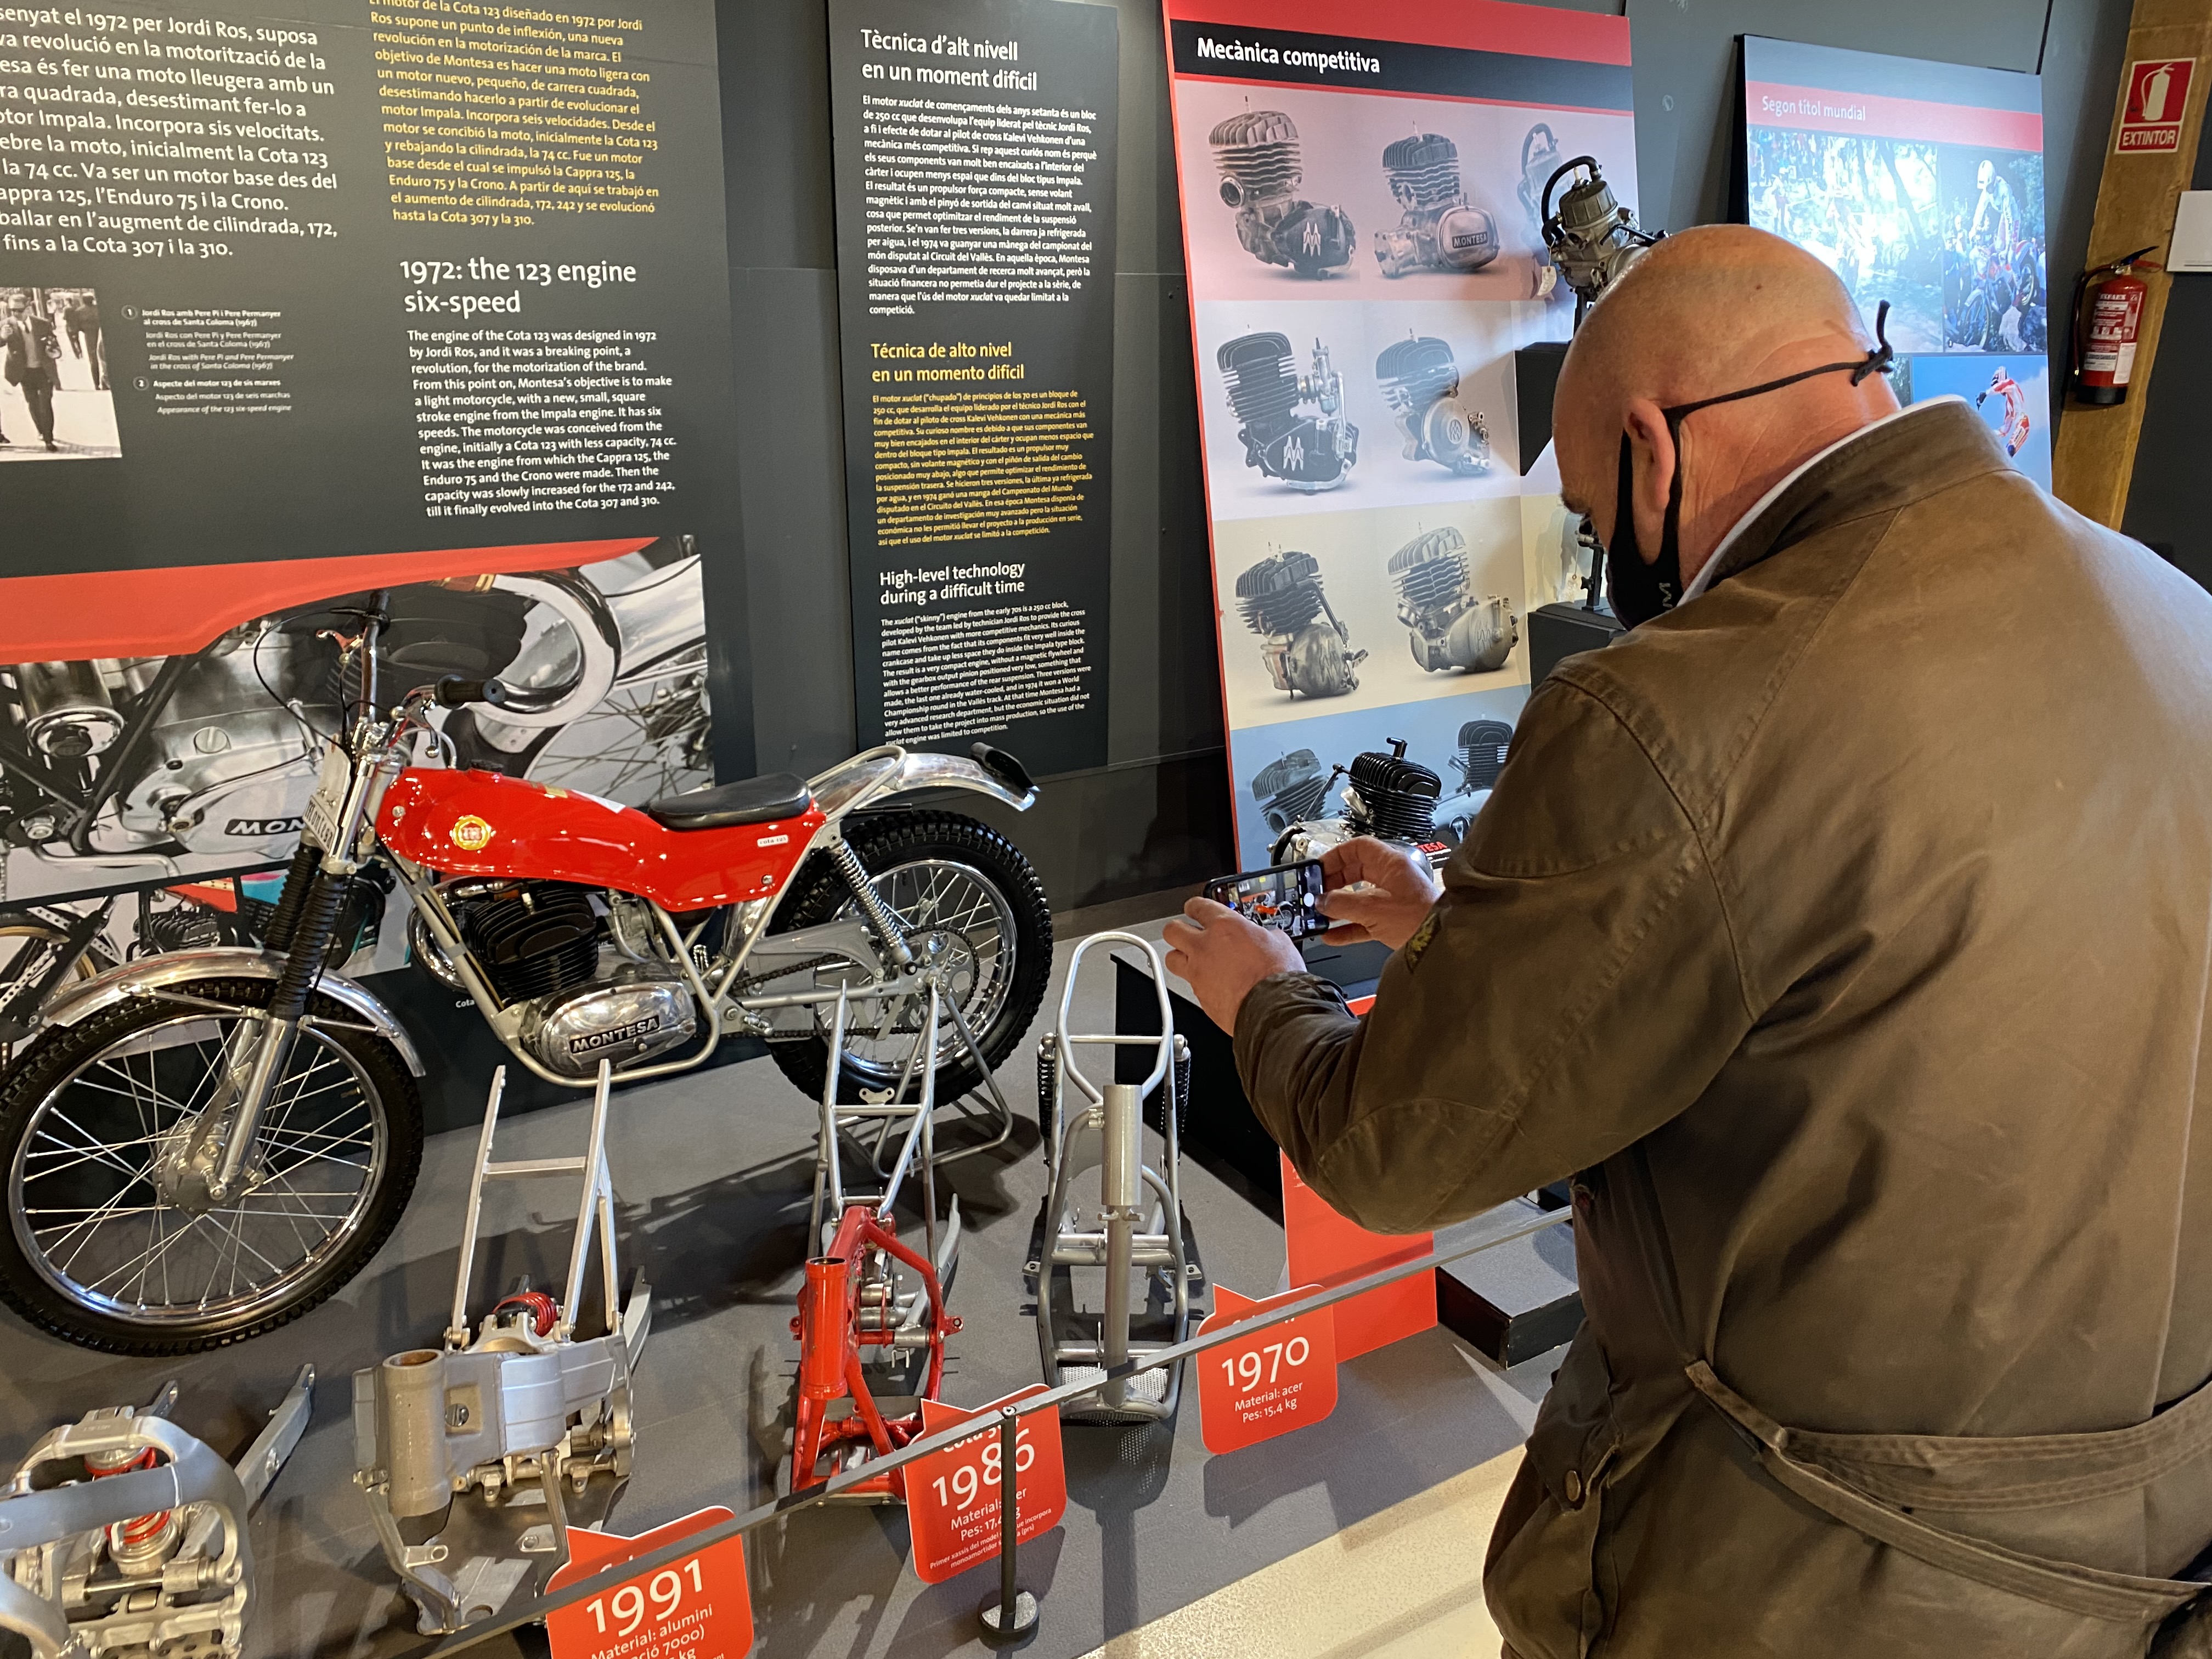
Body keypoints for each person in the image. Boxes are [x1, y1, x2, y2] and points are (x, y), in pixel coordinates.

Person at [1165, 224, 2212, 1657]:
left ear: (1656, 451)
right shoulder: (2166, 607)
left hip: (1818, 1560)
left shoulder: (1676, 705)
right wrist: (1465, 932)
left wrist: (1269, 1001)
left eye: (1601, 517)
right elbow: (1853, 979)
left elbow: (1395, 1153)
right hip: (2138, 1527)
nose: (1614, 563)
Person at [2, 295, 61, 451]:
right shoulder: (6, 325)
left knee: (46, 403)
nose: (15, 314)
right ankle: (41, 431)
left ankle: (49, 439)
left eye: (19, 310)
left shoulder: (42, 324)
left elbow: (54, 343)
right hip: (24, 373)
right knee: (33, 404)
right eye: (12, 310)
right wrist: (3, 337)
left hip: (43, 371)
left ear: (28, 307)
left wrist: (53, 348)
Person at [64, 293, 103, 390]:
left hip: (89, 335)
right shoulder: (99, 309)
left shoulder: (79, 312)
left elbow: (77, 327)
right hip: (100, 333)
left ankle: (97, 384)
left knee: (93, 359)